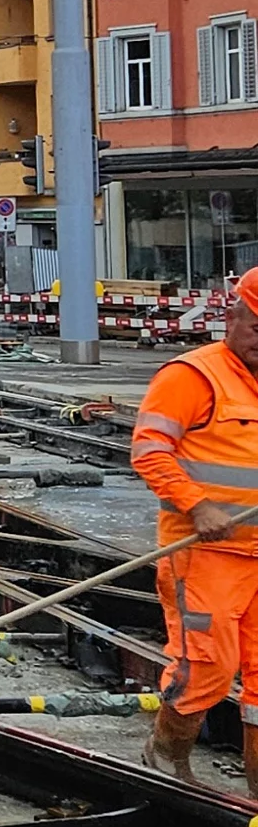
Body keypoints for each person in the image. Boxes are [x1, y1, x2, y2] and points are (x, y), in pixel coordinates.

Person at [132, 266, 258, 792]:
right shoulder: (193, 376)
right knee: (206, 665)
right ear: (234, 316)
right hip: (209, 555)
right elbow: (149, 450)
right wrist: (198, 505)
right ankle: (165, 759)